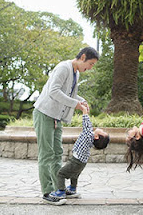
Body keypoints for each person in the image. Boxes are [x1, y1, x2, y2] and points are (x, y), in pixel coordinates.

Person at [32, 47, 99, 205]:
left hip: (56, 117)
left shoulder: (75, 72)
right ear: (82, 57)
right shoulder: (63, 67)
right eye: (90, 64)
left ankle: (59, 189)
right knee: (47, 154)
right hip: (44, 113)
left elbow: (70, 95)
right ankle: (47, 192)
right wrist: (76, 104)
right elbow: (53, 91)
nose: (90, 68)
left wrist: (81, 101)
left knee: (57, 153)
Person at [50, 103, 110, 200]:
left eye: (103, 132)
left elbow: (86, 124)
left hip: (75, 161)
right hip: (82, 163)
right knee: (74, 175)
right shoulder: (90, 139)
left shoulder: (88, 135)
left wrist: (84, 111)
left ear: (96, 136)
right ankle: (73, 189)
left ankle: (61, 191)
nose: (102, 129)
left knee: (60, 174)